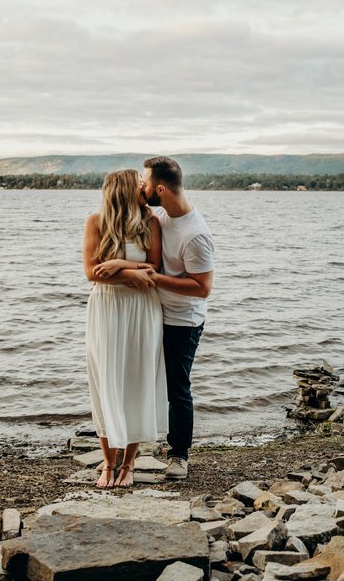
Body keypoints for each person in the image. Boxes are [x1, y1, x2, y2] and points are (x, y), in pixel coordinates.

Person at [82, 169, 167, 488]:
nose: (145, 188)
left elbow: (154, 268)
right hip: (106, 307)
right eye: (139, 184)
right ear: (125, 189)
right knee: (106, 383)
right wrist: (132, 271)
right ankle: (107, 463)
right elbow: (92, 272)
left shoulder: (151, 222)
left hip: (141, 307)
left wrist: (120, 265)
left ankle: (129, 464)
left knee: (137, 381)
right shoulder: (96, 222)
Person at [140, 156, 214, 480]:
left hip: (184, 320)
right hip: (158, 312)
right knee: (155, 382)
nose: (142, 188)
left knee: (178, 387)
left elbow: (202, 288)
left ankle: (179, 455)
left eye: (144, 183)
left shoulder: (196, 234)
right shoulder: (161, 215)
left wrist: (155, 279)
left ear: (159, 188)